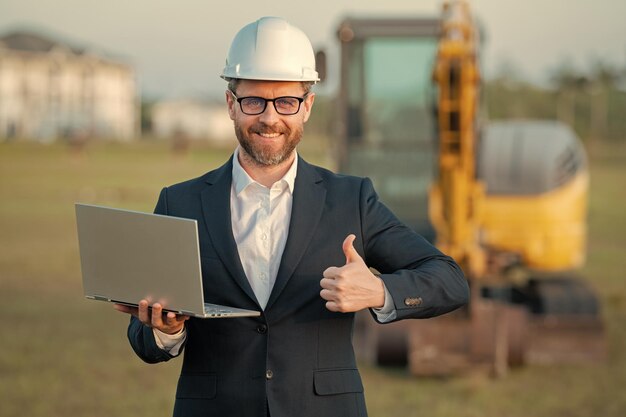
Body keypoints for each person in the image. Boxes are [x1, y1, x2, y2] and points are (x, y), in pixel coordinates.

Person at [114, 16, 469, 417]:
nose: (269, 117)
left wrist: (379, 291)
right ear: (231, 104)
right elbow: (143, 342)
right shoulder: (179, 203)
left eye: (286, 101)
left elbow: (450, 280)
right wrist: (167, 330)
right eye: (254, 101)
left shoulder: (351, 199)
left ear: (307, 107)